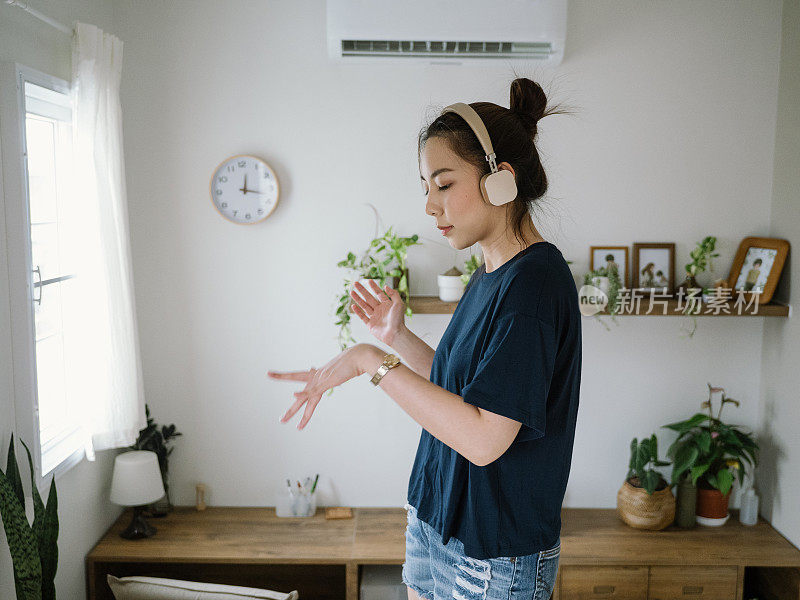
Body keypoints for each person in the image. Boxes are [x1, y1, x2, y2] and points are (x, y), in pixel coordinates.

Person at [267, 77, 582, 600]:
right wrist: (398, 338)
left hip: (492, 553)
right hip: (438, 519)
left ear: (499, 180)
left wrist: (372, 361)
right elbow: (466, 391)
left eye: (443, 183)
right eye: (426, 187)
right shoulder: (491, 273)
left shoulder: (533, 286)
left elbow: (484, 440)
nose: (431, 207)